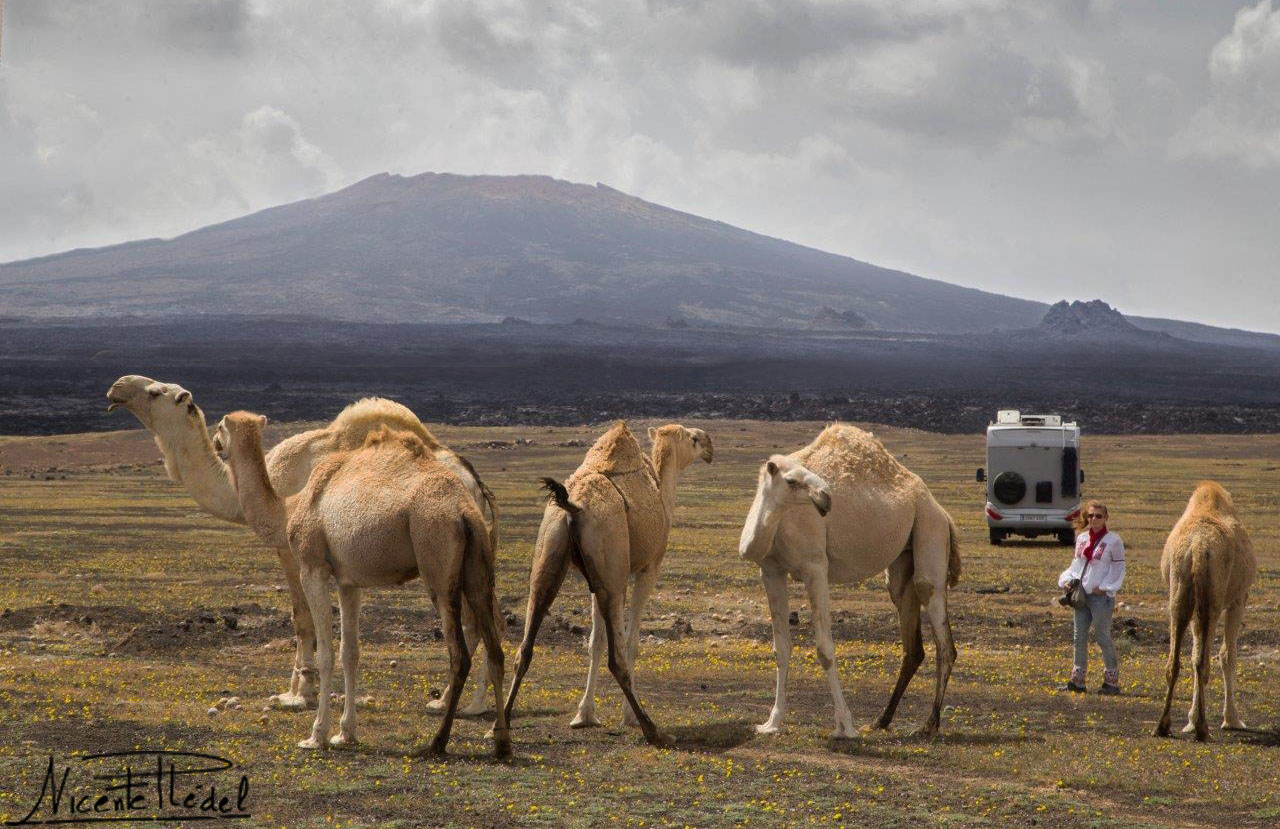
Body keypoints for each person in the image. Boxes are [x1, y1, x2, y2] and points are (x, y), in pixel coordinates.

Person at [1058, 500, 1126, 694]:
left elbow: (1118, 568)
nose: (1094, 519)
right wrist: (1067, 580)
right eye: (1090, 516)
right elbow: (1077, 565)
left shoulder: (1114, 541)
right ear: (1086, 518)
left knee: (1103, 637)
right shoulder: (1082, 539)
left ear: (1105, 518)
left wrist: (1104, 588)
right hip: (1081, 596)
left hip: (1100, 598)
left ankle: (1111, 682)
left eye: (1098, 516)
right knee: (1078, 637)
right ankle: (1077, 681)